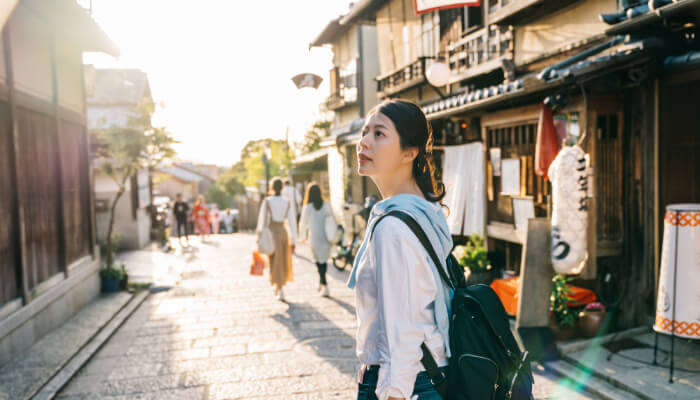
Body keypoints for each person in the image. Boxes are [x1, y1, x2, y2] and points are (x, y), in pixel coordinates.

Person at [347, 99, 452, 400]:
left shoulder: (392, 226)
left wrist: (394, 392)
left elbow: (403, 328)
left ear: (409, 152)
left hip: (404, 383)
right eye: (365, 132)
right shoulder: (427, 209)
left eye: (379, 134)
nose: (364, 142)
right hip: (432, 372)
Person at [256, 178, 298, 301]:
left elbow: (262, 220)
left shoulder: (267, 201)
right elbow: (292, 221)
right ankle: (279, 286)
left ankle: (279, 287)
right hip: (283, 232)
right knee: (282, 260)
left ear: (272, 187)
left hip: (271, 232)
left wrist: (259, 236)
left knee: (274, 260)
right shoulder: (287, 202)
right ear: (282, 188)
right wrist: (294, 239)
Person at [298, 183, 333, 297]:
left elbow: (303, 223)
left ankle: (324, 284)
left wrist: (302, 236)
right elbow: (332, 219)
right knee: (324, 261)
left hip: (314, 239)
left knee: (319, 262)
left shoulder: (308, 207)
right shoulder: (327, 205)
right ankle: (322, 283)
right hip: (325, 237)